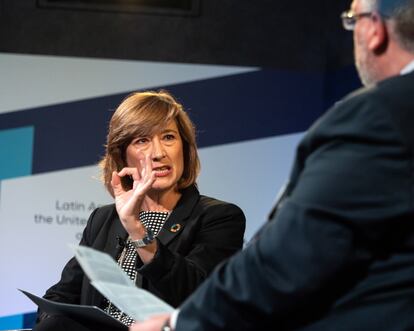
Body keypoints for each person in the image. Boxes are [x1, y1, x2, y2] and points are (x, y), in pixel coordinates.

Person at [131, 0, 414, 330]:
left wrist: (176, 325)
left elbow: (291, 258)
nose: (157, 153)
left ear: (375, 29)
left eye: (353, 19)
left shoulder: (379, 116)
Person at [33, 90, 246, 331]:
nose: (158, 153)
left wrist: (136, 229)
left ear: (184, 149)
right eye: (142, 141)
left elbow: (197, 297)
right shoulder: (103, 218)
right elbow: (59, 296)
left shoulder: (218, 217)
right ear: (123, 157)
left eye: (168, 137)